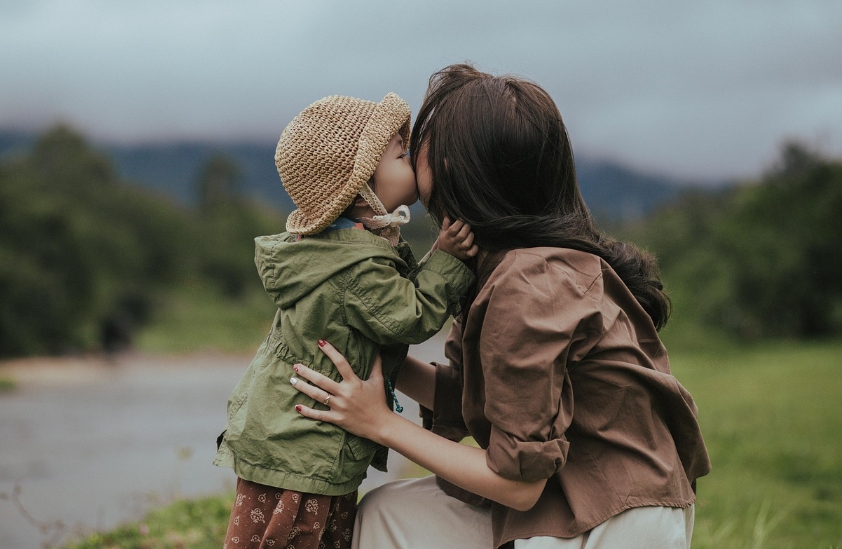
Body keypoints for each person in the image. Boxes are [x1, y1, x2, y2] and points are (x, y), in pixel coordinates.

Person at [289, 64, 712, 549]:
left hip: (613, 519)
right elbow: (480, 395)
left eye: (416, 147)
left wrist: (379, 423)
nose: (409, 155)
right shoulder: (503, 263)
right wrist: (373, 350)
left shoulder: (529, 284)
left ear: (453, 167)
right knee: (386, 515)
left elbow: (517, 482)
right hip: (580, 494)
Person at [213, 92, 478, 549]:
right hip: (303, 449)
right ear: (361, 189)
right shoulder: (354, 266)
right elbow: (409, 316)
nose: (411, 159)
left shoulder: (345, 248)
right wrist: (449, 260)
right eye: (400, 154)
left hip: (298, 440)